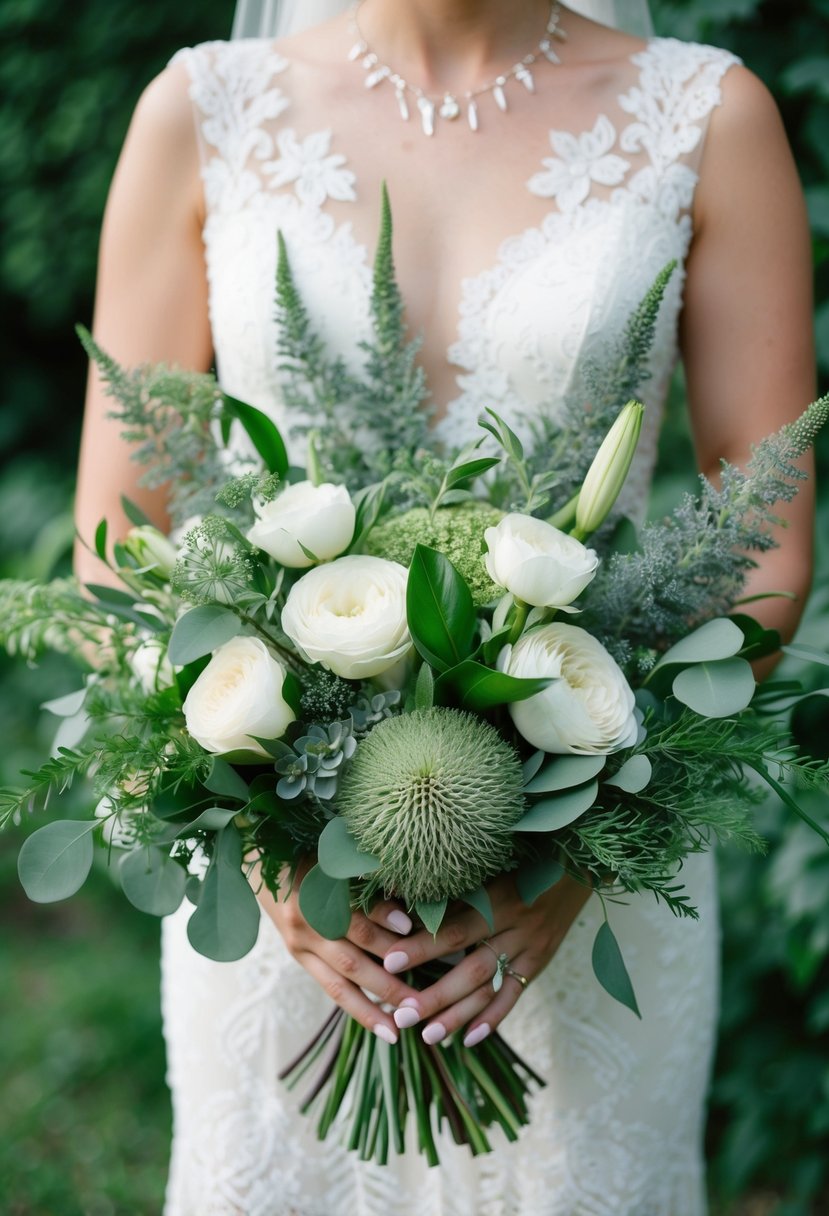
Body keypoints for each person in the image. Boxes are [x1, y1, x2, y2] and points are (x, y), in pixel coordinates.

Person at [73, 1, 816, 1212]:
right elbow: (121, 538)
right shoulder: (201, 110)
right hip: (288, 922)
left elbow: (766, 535)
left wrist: (574, 855)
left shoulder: (705, 115)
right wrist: (273, 848)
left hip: (591, 869)